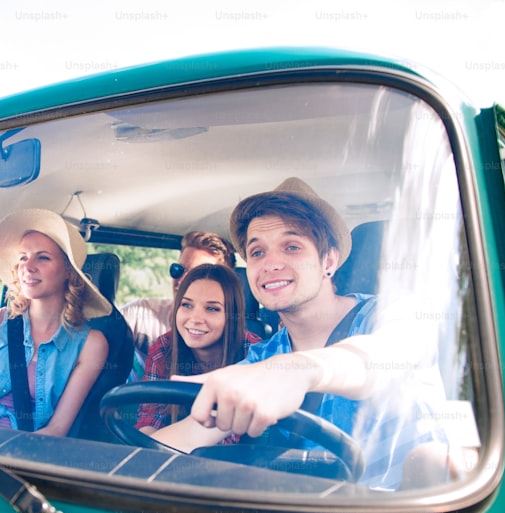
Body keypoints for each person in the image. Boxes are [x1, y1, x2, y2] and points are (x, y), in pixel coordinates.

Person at [153, 177, 458, 490]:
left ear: (328, 261)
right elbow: (187, 437)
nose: (270, 264)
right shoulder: (262, 357)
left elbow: (378, 359)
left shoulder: (395, 314)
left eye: (292, 247)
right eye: (257, 252)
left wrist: (300, 370)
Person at [0, 209, 110, 436]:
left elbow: (57, 429)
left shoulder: (92, 344)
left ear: (68, 273)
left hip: (28, 452)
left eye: (43, 257)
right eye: (23, 257)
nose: (28, 266)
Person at [135, 263, 261, 440]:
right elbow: (149, 420)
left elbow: (234, 438)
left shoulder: (254, 354)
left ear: (232, 316)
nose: (195, 319)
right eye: (187, 305)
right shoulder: (164, 348)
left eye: (212, 309)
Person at [120, 230, 238, 374]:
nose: (182, 281)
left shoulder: (248, 348)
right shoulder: (145, 317)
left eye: (199, 275)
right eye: (179, 270)